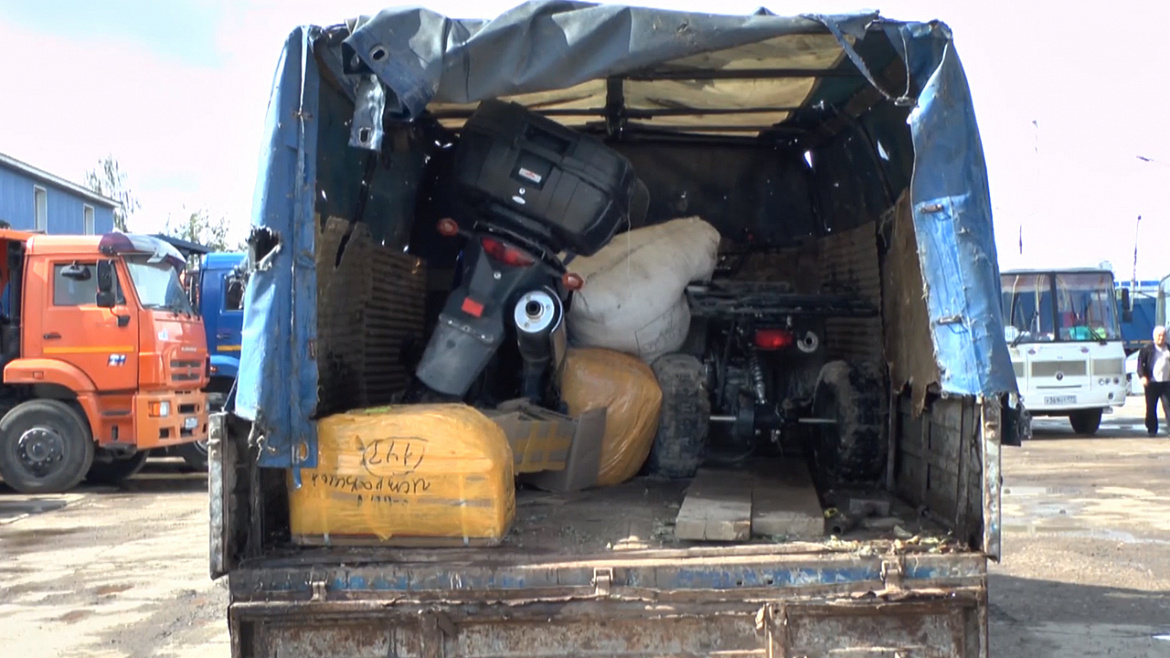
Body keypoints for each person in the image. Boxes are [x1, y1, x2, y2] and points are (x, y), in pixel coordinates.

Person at [1137, 325, 1170, 436]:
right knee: (1151, 407)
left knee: (1168, 406)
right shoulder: (1147, 349)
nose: (1161, 338)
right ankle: (1152, 429)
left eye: (1163, 336)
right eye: (1159, 336)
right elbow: (1140, 364)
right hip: (1152, 383)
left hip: (1166, 383)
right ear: (1154, 336)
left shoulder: (1168, 348)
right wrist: (1143, 376)